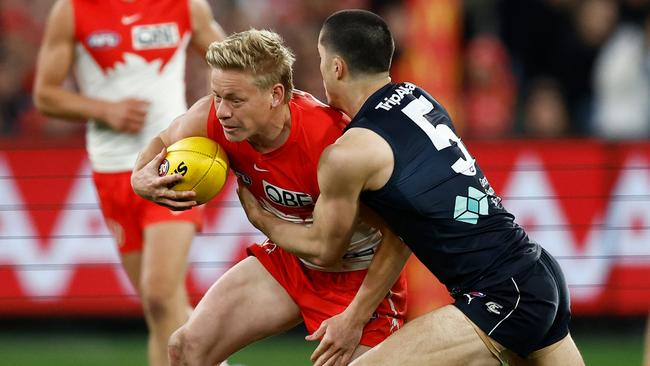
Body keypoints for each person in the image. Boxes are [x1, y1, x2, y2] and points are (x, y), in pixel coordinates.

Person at [237, 9, 586, 366]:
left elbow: (324, 248)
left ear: (337, 67)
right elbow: (402, 232)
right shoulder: (416, 97)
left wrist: (261, 218)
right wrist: (356, 316)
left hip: (500, 294)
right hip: (536, 273)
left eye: (322, 59)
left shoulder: (350, 152)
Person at [129, 29, 407, 366]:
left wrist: (355, 317)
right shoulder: (211, 121)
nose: (221, 112)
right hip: (291, 262)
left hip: (360, 280)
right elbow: (161, 141)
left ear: (275, 94)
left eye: (235, 100)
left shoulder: (334, 143)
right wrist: (140, 178)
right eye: (217, 96)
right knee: (184, 348)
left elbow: (400, 233)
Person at [32, 1, 224, 365]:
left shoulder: (184, 6)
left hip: (173, 165)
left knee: (159, 295)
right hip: (111, 170)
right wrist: (104, 110)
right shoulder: (72, 10)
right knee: (160, 309)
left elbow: (233, 65)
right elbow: (45, 94)